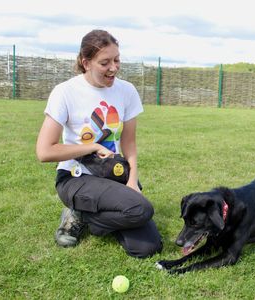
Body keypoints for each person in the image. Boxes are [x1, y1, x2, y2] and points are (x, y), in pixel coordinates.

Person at [36, 29, 162, 258]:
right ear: (86, 63)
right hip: (76, 178)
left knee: (147, 247)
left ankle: (89, 216)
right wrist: (92, 147)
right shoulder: (65, 92)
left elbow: (129, 144)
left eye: (117, 60)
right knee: (141, 209)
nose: (113, 67)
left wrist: (132, 180)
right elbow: (45, 151)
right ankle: (77, 212)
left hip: (114, 173)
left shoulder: (127, 91)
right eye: (105, 62)